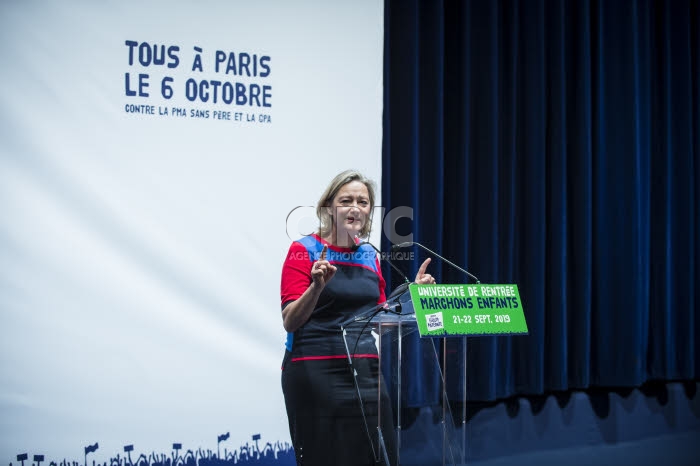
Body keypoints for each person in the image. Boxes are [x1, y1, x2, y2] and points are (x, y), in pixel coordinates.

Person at [279, 169, 435, 466]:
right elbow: (290, 320)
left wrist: (413, 296)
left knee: (378, 456)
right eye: (346, 200)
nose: (355, 207)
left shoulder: (368, 254)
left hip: (366, 372)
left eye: (363, 202)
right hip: (315, 373)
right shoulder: (303, 251)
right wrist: (317, 287)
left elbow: (380, 317)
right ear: (328, 208)